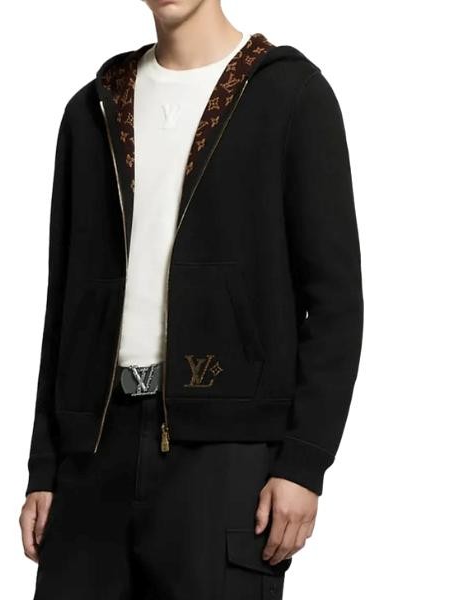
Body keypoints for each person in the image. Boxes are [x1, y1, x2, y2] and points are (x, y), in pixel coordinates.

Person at [19, 1, 363, 598]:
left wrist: (303, 462)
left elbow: (335, 301)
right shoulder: (94, 110)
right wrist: (44, 465)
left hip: (225, 459)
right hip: (92, 454)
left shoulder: (291, 95)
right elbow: (66, 303)